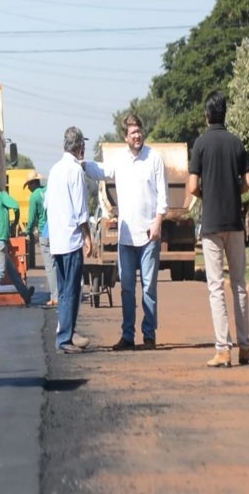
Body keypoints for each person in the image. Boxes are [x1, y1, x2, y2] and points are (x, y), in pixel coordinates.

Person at [82, 113, 168, 351]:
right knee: (127, 287)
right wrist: (79, 163)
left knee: (149, 287)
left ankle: (149, 335)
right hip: (126, 238)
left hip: (149, 234)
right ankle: (127, 335)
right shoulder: (119, 160)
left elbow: (163, 194)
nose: (137, 135)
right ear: (125, 137)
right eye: (132, 133)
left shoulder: (154, 159)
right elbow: (100, 171)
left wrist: (158, 221)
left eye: (139, 131)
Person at [187, 91, 249, 368]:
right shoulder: (236, 143)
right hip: (235, 224)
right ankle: (245, 347)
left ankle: (223, 349)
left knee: (216, 286)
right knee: (239, 285)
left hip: (212, 224)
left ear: (207, 115)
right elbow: (248, 182)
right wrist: (232, 192)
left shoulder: (201, 144)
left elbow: (192, 187)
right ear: (224, 114)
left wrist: (208, 195)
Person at [45, 127, 92, 353]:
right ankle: (64, 338)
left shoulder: (54, 171)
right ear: (80, 147)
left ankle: (67, 333)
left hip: (57, 241)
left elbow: (48, 207)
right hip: (71, 240)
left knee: (64, 291)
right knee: (72, 291)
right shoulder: (75, 171)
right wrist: (88, 236)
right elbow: (81, 209)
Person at [0, 179, 35, 310]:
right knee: (1, 272)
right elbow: (16, 206)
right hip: (0, 241)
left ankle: (26, 295)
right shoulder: (1, 195)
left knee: (12, 271)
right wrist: (16, 222)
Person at [23, 170, 58, 306]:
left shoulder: (34, 197)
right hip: (57, 231)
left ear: (32, 184)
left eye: (29, 186)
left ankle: (55, 296)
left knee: (50, 267)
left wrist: (27, 231)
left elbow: (31, 219)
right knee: (59, 265)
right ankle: (64, 293)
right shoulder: (50, 190)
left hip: (45, 232)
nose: (29, 189)